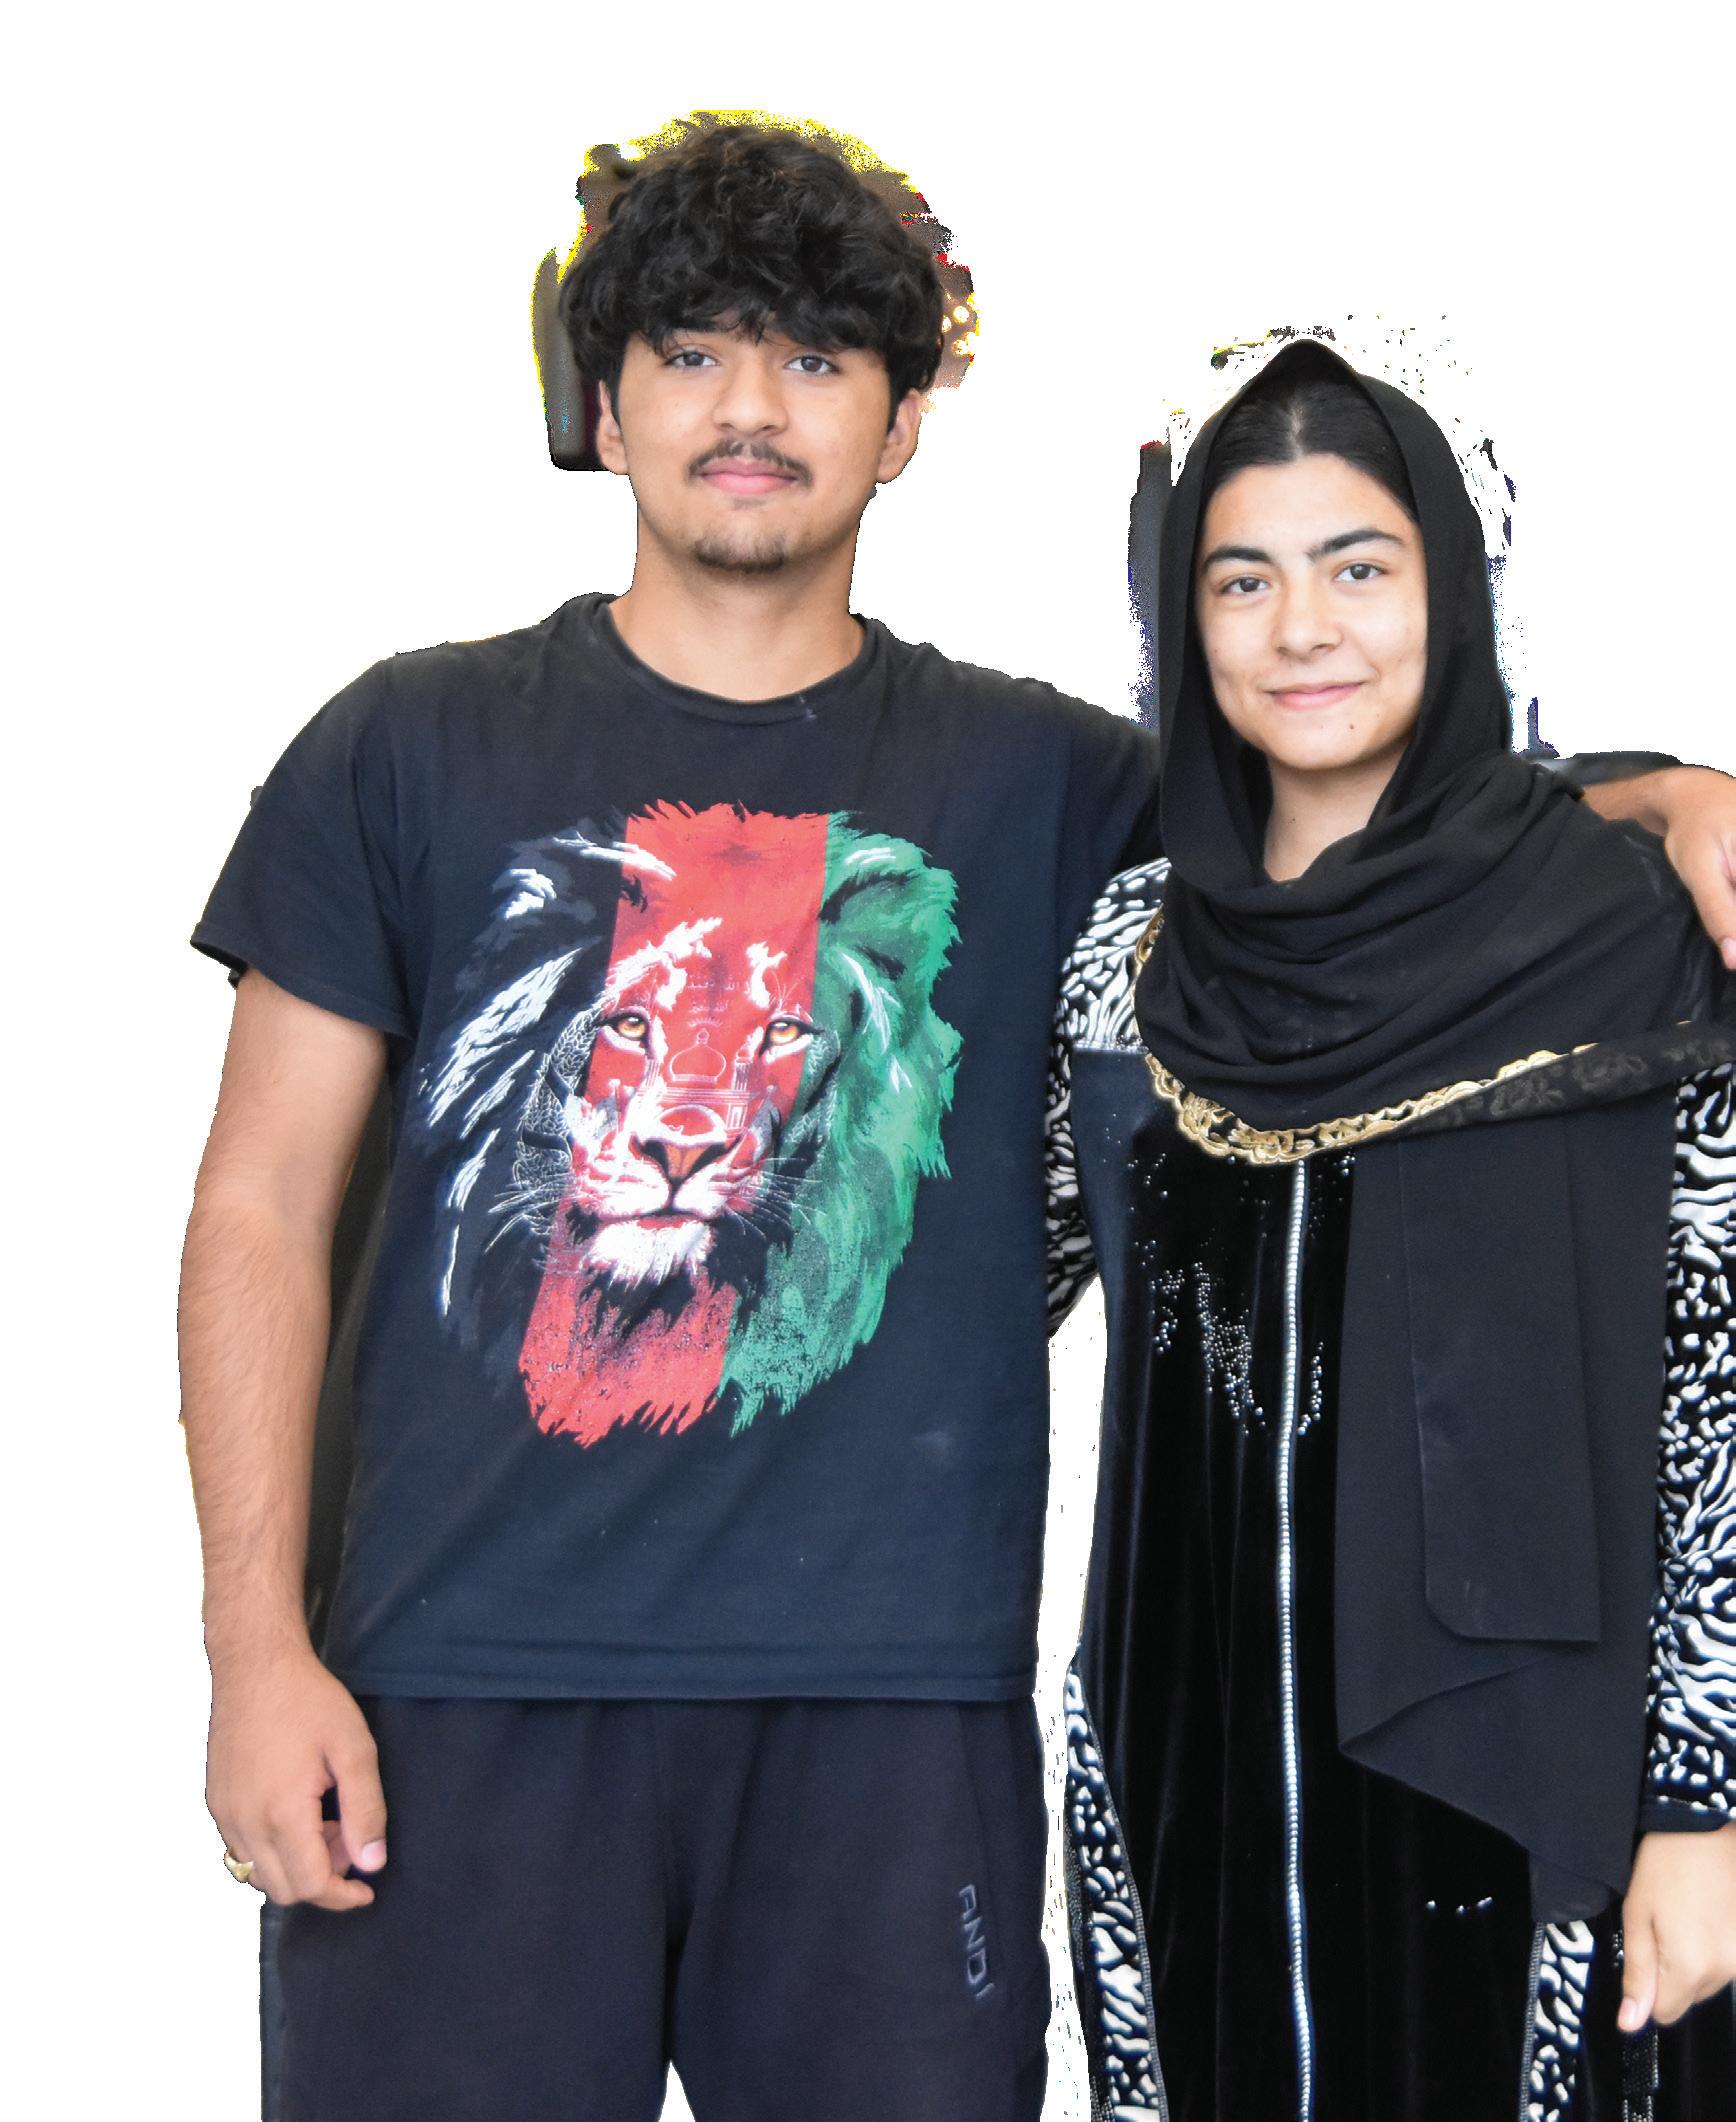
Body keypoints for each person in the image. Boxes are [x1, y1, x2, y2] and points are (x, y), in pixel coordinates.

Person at [179, 119, 1736, 2119]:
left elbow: (1338, 810)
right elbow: (258, 1205)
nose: (751, 407)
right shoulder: (402, 743)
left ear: (904, 420)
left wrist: (1651, 797)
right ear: (600, 404)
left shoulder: (1052, 785)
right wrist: (254, 1648)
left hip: (898, 1723)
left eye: (817, 356)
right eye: (690, 350)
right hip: (454, 1690)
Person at [1047, 336, 1736, 2122]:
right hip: (1193, 1738)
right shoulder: (1129, 958)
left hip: (1534, 1761)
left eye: (1360, 567)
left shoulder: (1632, 927)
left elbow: (1719, 1394)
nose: (1303, 630)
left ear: (1451, 589)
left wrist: (1706, 1799)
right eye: (1242, 580)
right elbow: (981, 1286)